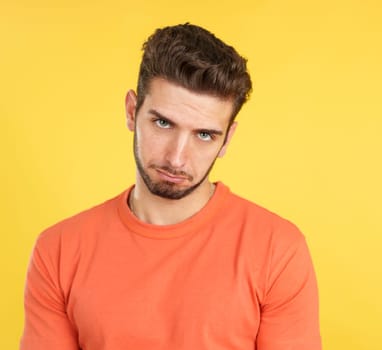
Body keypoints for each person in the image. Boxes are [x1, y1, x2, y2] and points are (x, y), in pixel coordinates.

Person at [21, 23, 321, 350]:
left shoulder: (278, 250)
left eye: (204, 135)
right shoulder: (59, 250)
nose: (177, 159)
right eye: (163, 123)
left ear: (227, 139)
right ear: (132, 111)